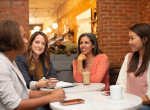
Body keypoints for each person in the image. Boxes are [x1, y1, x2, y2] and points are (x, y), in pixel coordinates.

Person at [0, 20, 65, 110]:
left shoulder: (11, 61)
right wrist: (51, 97)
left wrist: (51, 93)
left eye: (43, 44)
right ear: (12, 39)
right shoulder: (2, 65)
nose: (26, 41)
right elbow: (14, 105)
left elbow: (26, 92)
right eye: (23, 37)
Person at [116, 23, 150, 109]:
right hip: (127, 103)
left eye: (132, 38)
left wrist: (131, 102)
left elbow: (149, 98)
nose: (129, 42)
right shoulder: (129, 57)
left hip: (144, 105)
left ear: (145, 39)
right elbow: (120, 83)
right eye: (129, 38)